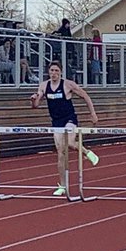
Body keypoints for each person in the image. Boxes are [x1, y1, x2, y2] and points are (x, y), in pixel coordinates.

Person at [30, 60, 100, 197]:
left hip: (69, 119)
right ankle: (62, 185)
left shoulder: (68, 84)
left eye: (56, 71)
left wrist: (93, 113)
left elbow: (85, 96)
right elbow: (36, 105)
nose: (54, 73)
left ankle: (87, 152)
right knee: (61, 153)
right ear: (48, 72)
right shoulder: (44, 85)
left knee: (69, 143)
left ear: (60, 72)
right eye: (52, 71)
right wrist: (33, 99)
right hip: (56, 122)